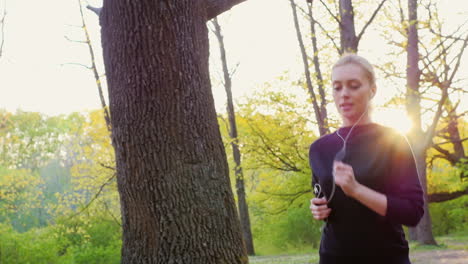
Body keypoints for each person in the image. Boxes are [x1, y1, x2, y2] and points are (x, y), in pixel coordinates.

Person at [308, 53, 424, 264]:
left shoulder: (392, 141)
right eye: (337, 87)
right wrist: (318, 208)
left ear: (372, 90)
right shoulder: (318, 149)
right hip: (333, 257)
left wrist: (357, 190)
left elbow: (413, 213)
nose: (344, 94)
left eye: (353, 85)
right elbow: (321, 197)